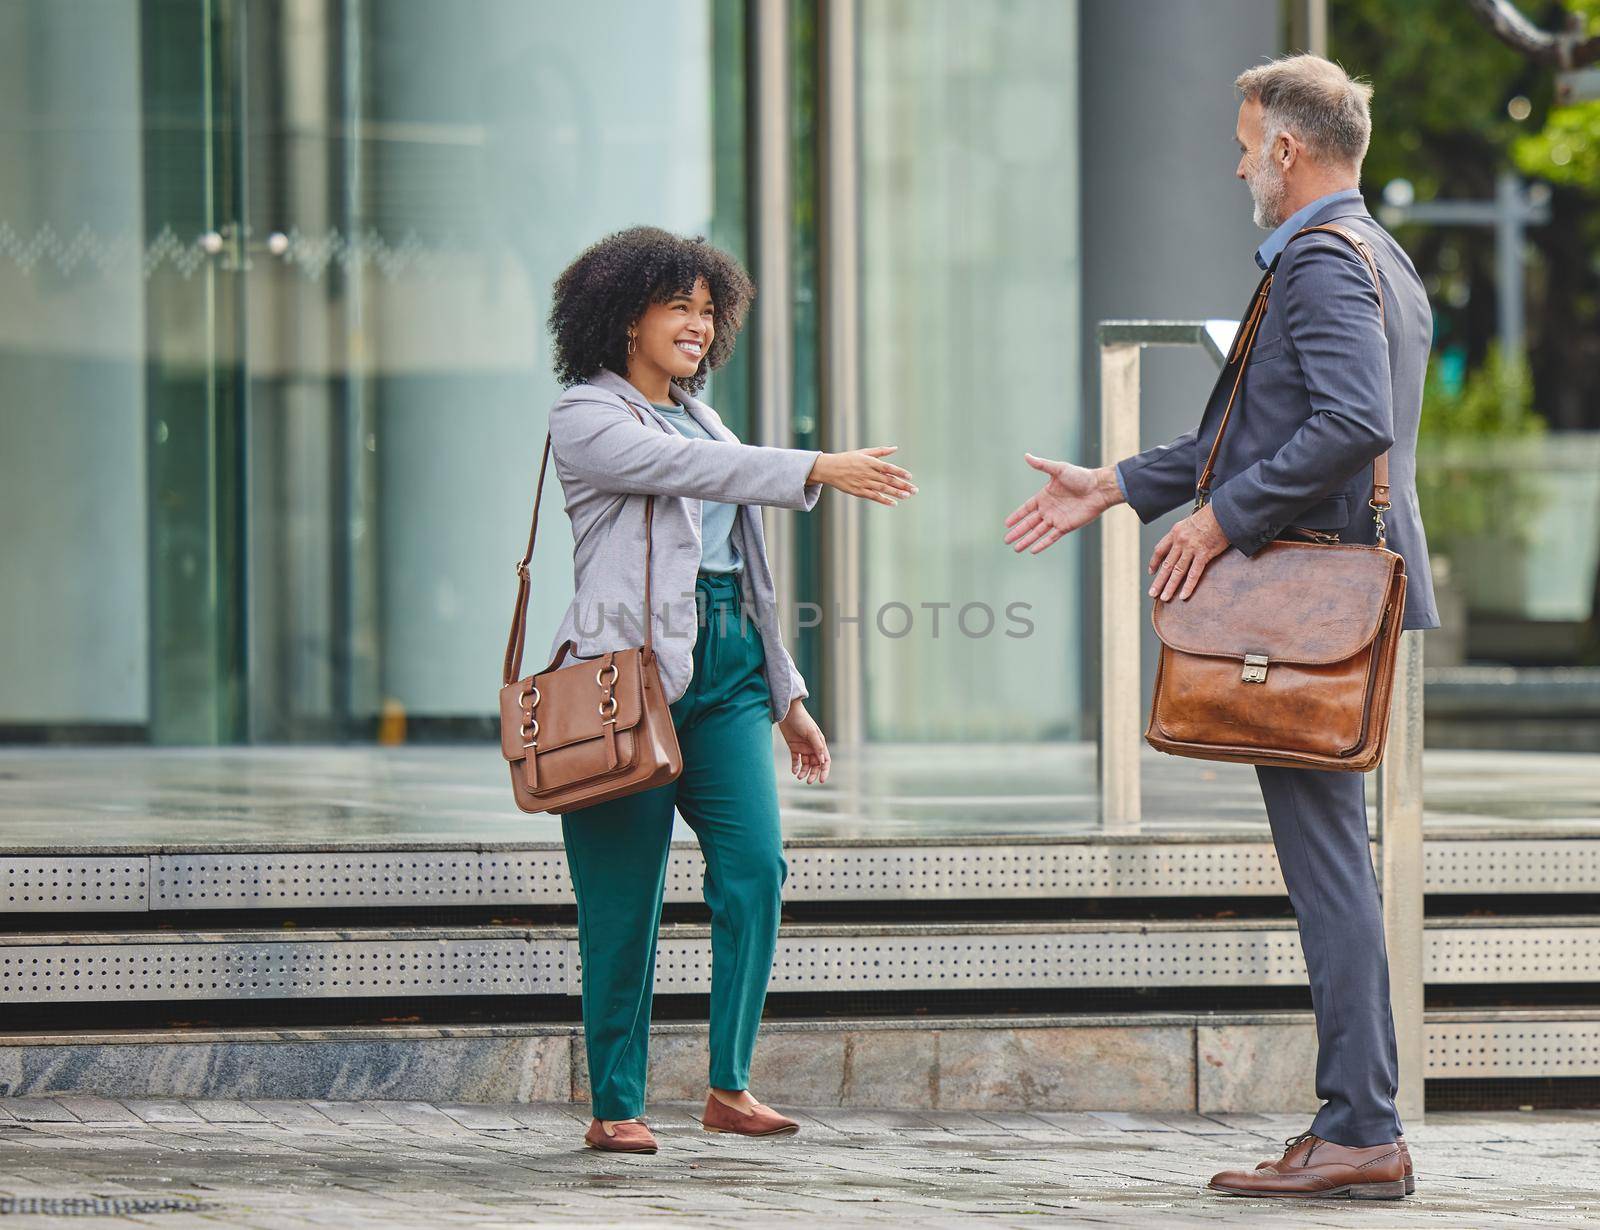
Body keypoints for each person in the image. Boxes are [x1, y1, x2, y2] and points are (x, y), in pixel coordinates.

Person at [1005, 55, 1436, 1199]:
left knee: (1331, 872)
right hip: (1325, 605)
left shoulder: (1317, 265)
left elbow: (1348, 422)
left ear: (1289, 150)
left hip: (1310, 613)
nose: (1238, 160)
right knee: (1332, 865)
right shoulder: (1373, 255)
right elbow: (1265, 426)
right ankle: (1357, 1122)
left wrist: (1219, 523)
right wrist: (1117, 481)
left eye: (1247, 143)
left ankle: (1360, 1129)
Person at [543, 226, 916, 1154]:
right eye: (680, 307)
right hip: (625, 682)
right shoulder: (588, 416)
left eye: (710, 312)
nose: (699, 328)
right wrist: (813, 467)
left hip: (731, 668)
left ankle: (727, 1084)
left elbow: (744, 566)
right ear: (625, 316)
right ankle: (616, 1104)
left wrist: (787, 695)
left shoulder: (704, 417)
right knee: (624, 902)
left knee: (755, 871)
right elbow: (688, 475)